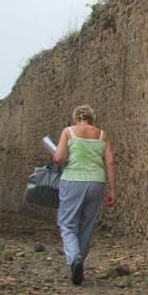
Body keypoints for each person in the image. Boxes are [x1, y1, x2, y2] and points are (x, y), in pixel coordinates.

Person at [51, 105, 117, 285]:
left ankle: (74, 260)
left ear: (75, 118)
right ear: (92, 118)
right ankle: (79, 261)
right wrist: (112, 189)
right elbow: (110, 161)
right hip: (96, 183)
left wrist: (55, 152)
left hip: (73, 181)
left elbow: (59, 158)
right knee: (86, 225)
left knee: (67, 224)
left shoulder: (68, 132)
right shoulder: (103, 135)